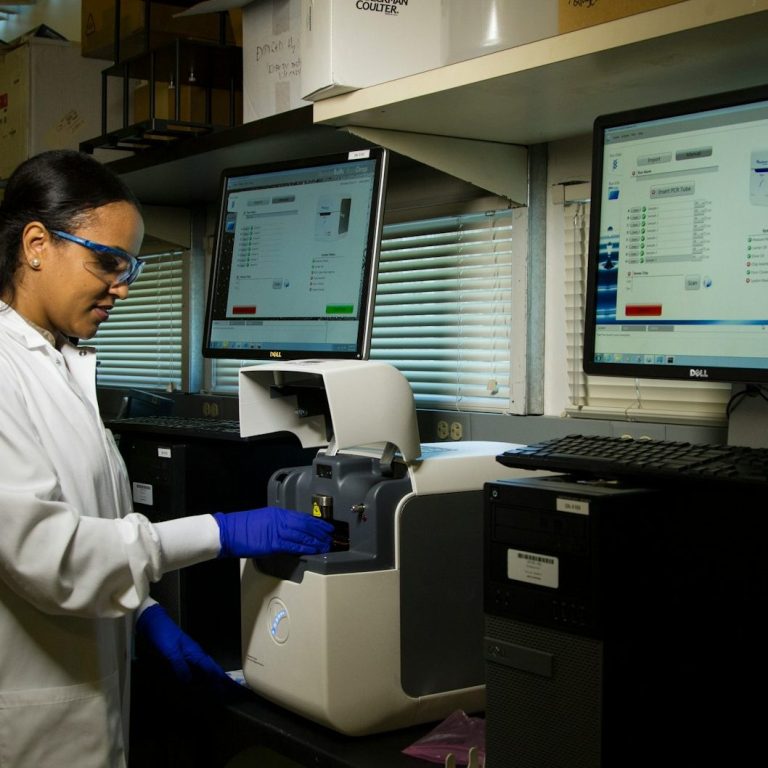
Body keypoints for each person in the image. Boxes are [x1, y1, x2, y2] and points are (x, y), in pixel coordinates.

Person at [0, 149, 333, 768]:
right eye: (107, 261)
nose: (122, 287)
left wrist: (141, 611)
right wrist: (220, 532)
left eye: (131, 266)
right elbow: (51, 555)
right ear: (37, 245)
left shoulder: (59, 363)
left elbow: (95, 527)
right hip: (29, 732)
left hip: (87, 714)